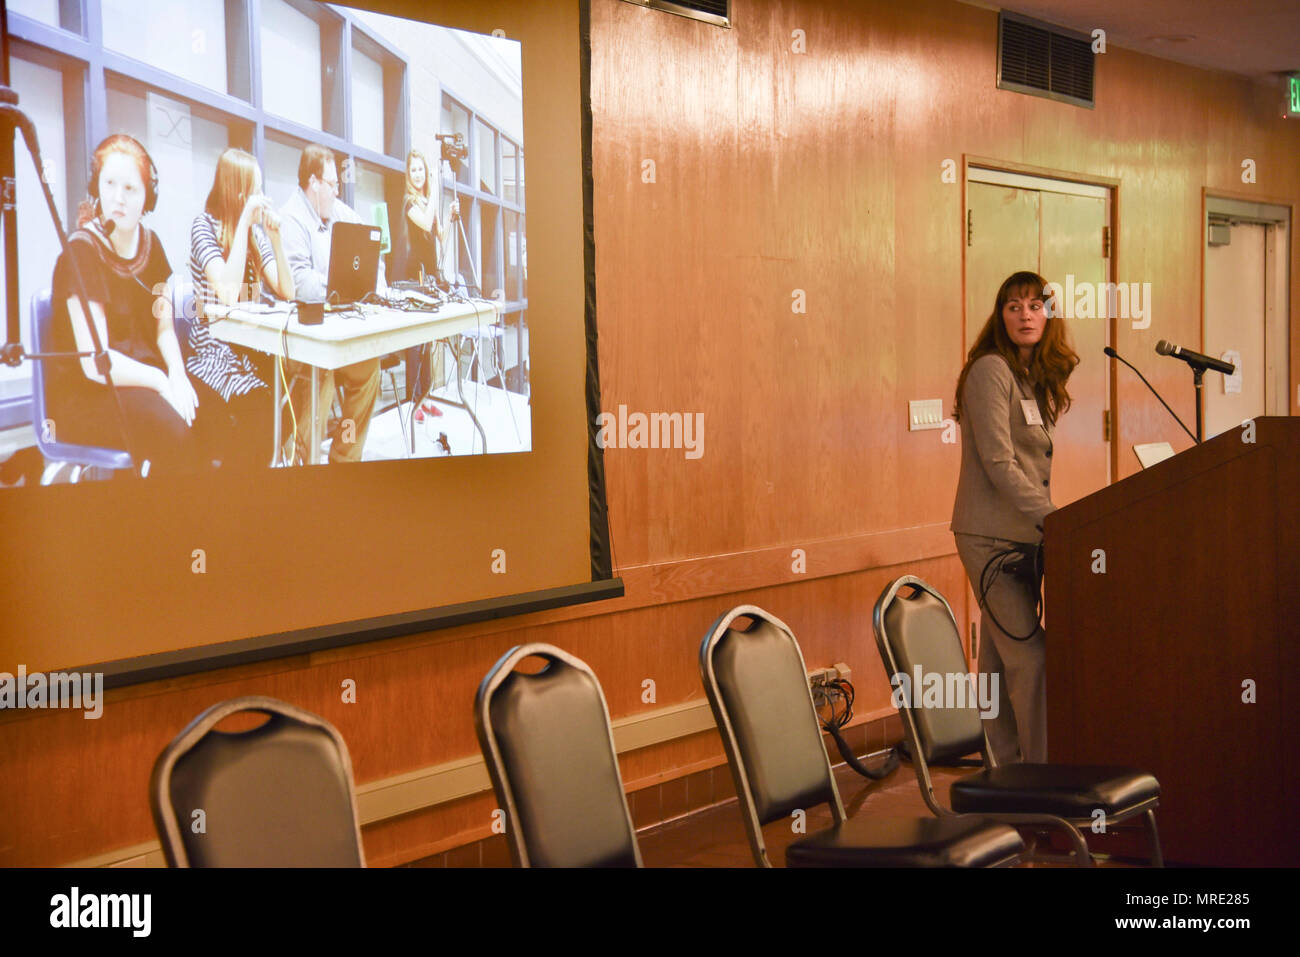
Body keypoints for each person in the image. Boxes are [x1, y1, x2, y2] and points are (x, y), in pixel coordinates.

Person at [951, 270, 1079, 764]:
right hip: (990, 539)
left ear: (1049, 314)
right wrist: (1055, 518)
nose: (1025, 315)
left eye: (1034, 305)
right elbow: (999, 462)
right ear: (1000, 316)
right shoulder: (990, 371)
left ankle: (1003, 771)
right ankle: (1041, 778)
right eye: (1013, 306)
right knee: (1032, 659)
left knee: (1001, 662)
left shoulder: (1030, 375)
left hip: (1022, 536)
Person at [49, 134, 203, 475]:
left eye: (130, 189)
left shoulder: (154, 245)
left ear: (148, 196)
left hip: (140, 378)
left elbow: (163, 328)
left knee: (210, 415)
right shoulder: (81, 253)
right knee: (176, 433)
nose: (118, 198)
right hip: (90, 393)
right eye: (109, 184)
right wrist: (162, 383)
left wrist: (177, 375)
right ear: (97, 186)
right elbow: (96, 364)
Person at [187, 147, 295, 468]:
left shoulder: (257, 236)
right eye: (257, 190)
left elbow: (287, 291)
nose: (263, 197)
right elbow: (229, 293)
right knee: (262, 419)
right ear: (239, 192)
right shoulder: (203, 227)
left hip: (251, 346)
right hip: (213, 349)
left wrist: (275, 239)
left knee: (288, 409)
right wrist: (246, 220)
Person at [277, 144, 381, 464]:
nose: (338, 191)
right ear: (314, 182)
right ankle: (303, 464)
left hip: (336, 333)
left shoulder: (337, 211)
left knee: (367, 369)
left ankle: (344, 456)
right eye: (333, 184)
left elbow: (370, 245)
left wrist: (374, 283)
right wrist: (340, 288)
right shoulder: (291, 218)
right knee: (321, 368)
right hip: (299, 342)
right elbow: (299, 284)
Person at [399, 149, 459, 421]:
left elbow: (441, 238)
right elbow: (423, 222)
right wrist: (436, 189)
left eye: (421, 169)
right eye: (414, 170)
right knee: (415, 343)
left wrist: (448, 215)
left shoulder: (427, 200)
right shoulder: (410, 202)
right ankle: (414, 404)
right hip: (415, 276)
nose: (419, 174)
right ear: (409, 175)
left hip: (431, 274)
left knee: (428, 341)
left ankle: (426, 397)